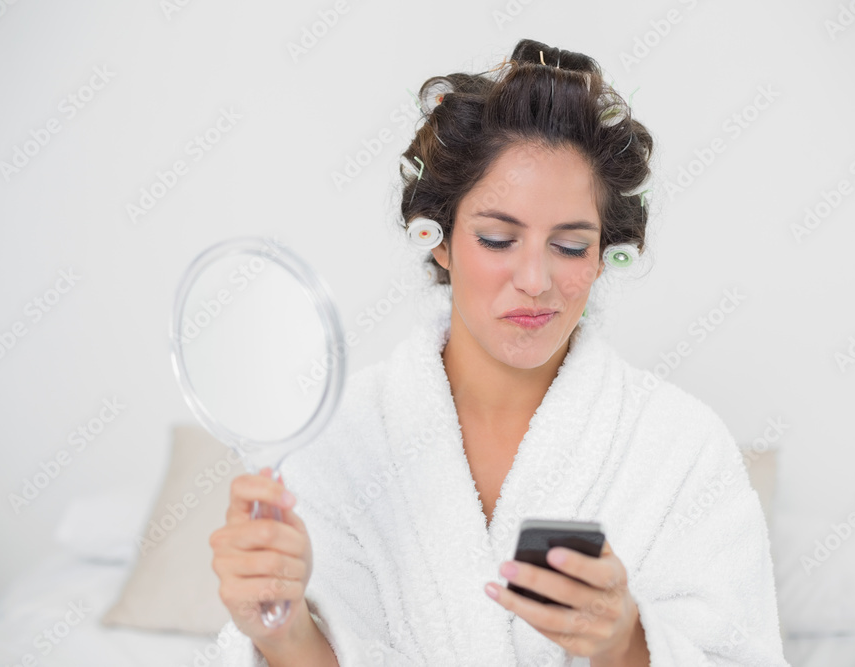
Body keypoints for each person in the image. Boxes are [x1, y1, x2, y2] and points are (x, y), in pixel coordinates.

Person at [212, 38, 790, 667]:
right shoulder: (339, 441)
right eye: (496, 238)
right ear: (437, 239)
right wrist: (281, 631)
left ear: (603, 255)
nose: (536, 279)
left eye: (570, 246)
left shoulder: (683, 449)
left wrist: (628, 643)